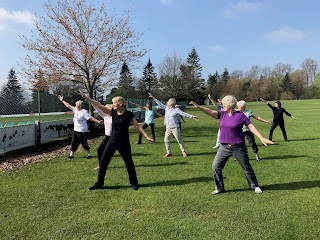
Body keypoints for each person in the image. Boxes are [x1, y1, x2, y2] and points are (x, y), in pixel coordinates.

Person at [189, 95, 273, 195]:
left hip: (238, 147)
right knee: (216, 167)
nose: (222, 105)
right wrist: (199, 107)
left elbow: (250, 126)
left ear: (230, 104)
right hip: (224, 147)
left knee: (246, 167)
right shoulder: (222, 114)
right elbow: (210, 112)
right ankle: (219, 188)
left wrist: (261, 137)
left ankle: (255, 186)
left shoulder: (240, 115)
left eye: (224, 103)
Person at [78, 91, 154, 191]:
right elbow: (98, 105)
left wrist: (146, 136)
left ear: (120, 104)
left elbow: (137, 126)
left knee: (128, 163)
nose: (113, 104)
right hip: (112, 141)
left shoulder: (128, 114)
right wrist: (86, 97)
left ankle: (134, 183)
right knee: (103, 161)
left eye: (114, 103)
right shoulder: (112, 112)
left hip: (124, 142)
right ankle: (99, 183)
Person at [148, 93, 199, 158]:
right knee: (166, 140)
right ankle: (169, 153)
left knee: (179, 140)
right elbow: (159, 103)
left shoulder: (176, 110)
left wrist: (192, 116)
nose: (167, 102)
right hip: (168, 128)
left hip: (175, 128)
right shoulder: (166, 108)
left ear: (171, 103)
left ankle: (184, 152)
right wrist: (153, 98)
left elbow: (184, 114)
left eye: (168, 102)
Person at [58, 95, 103, 159]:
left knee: (83, 143)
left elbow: (90, 118)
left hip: (82, 131)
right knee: (74, 142)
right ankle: (71, 155)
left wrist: (98, 121)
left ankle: (89, 154)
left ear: (79, 106)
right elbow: (68, 105)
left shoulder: (84, 112)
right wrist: (62, 100)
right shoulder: (75, 110)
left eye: (76, 105)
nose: (75, 105)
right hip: (76, 130)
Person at [93, 104, 112, 170]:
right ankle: (101, 165)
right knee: (100, 150)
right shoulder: (105, 116)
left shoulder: (115, 117)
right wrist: (90, 100)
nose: (104, 110)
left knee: (124, 154)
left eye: (106, 109)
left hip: (115, 138)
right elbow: (97, 109)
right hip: (107, 137)